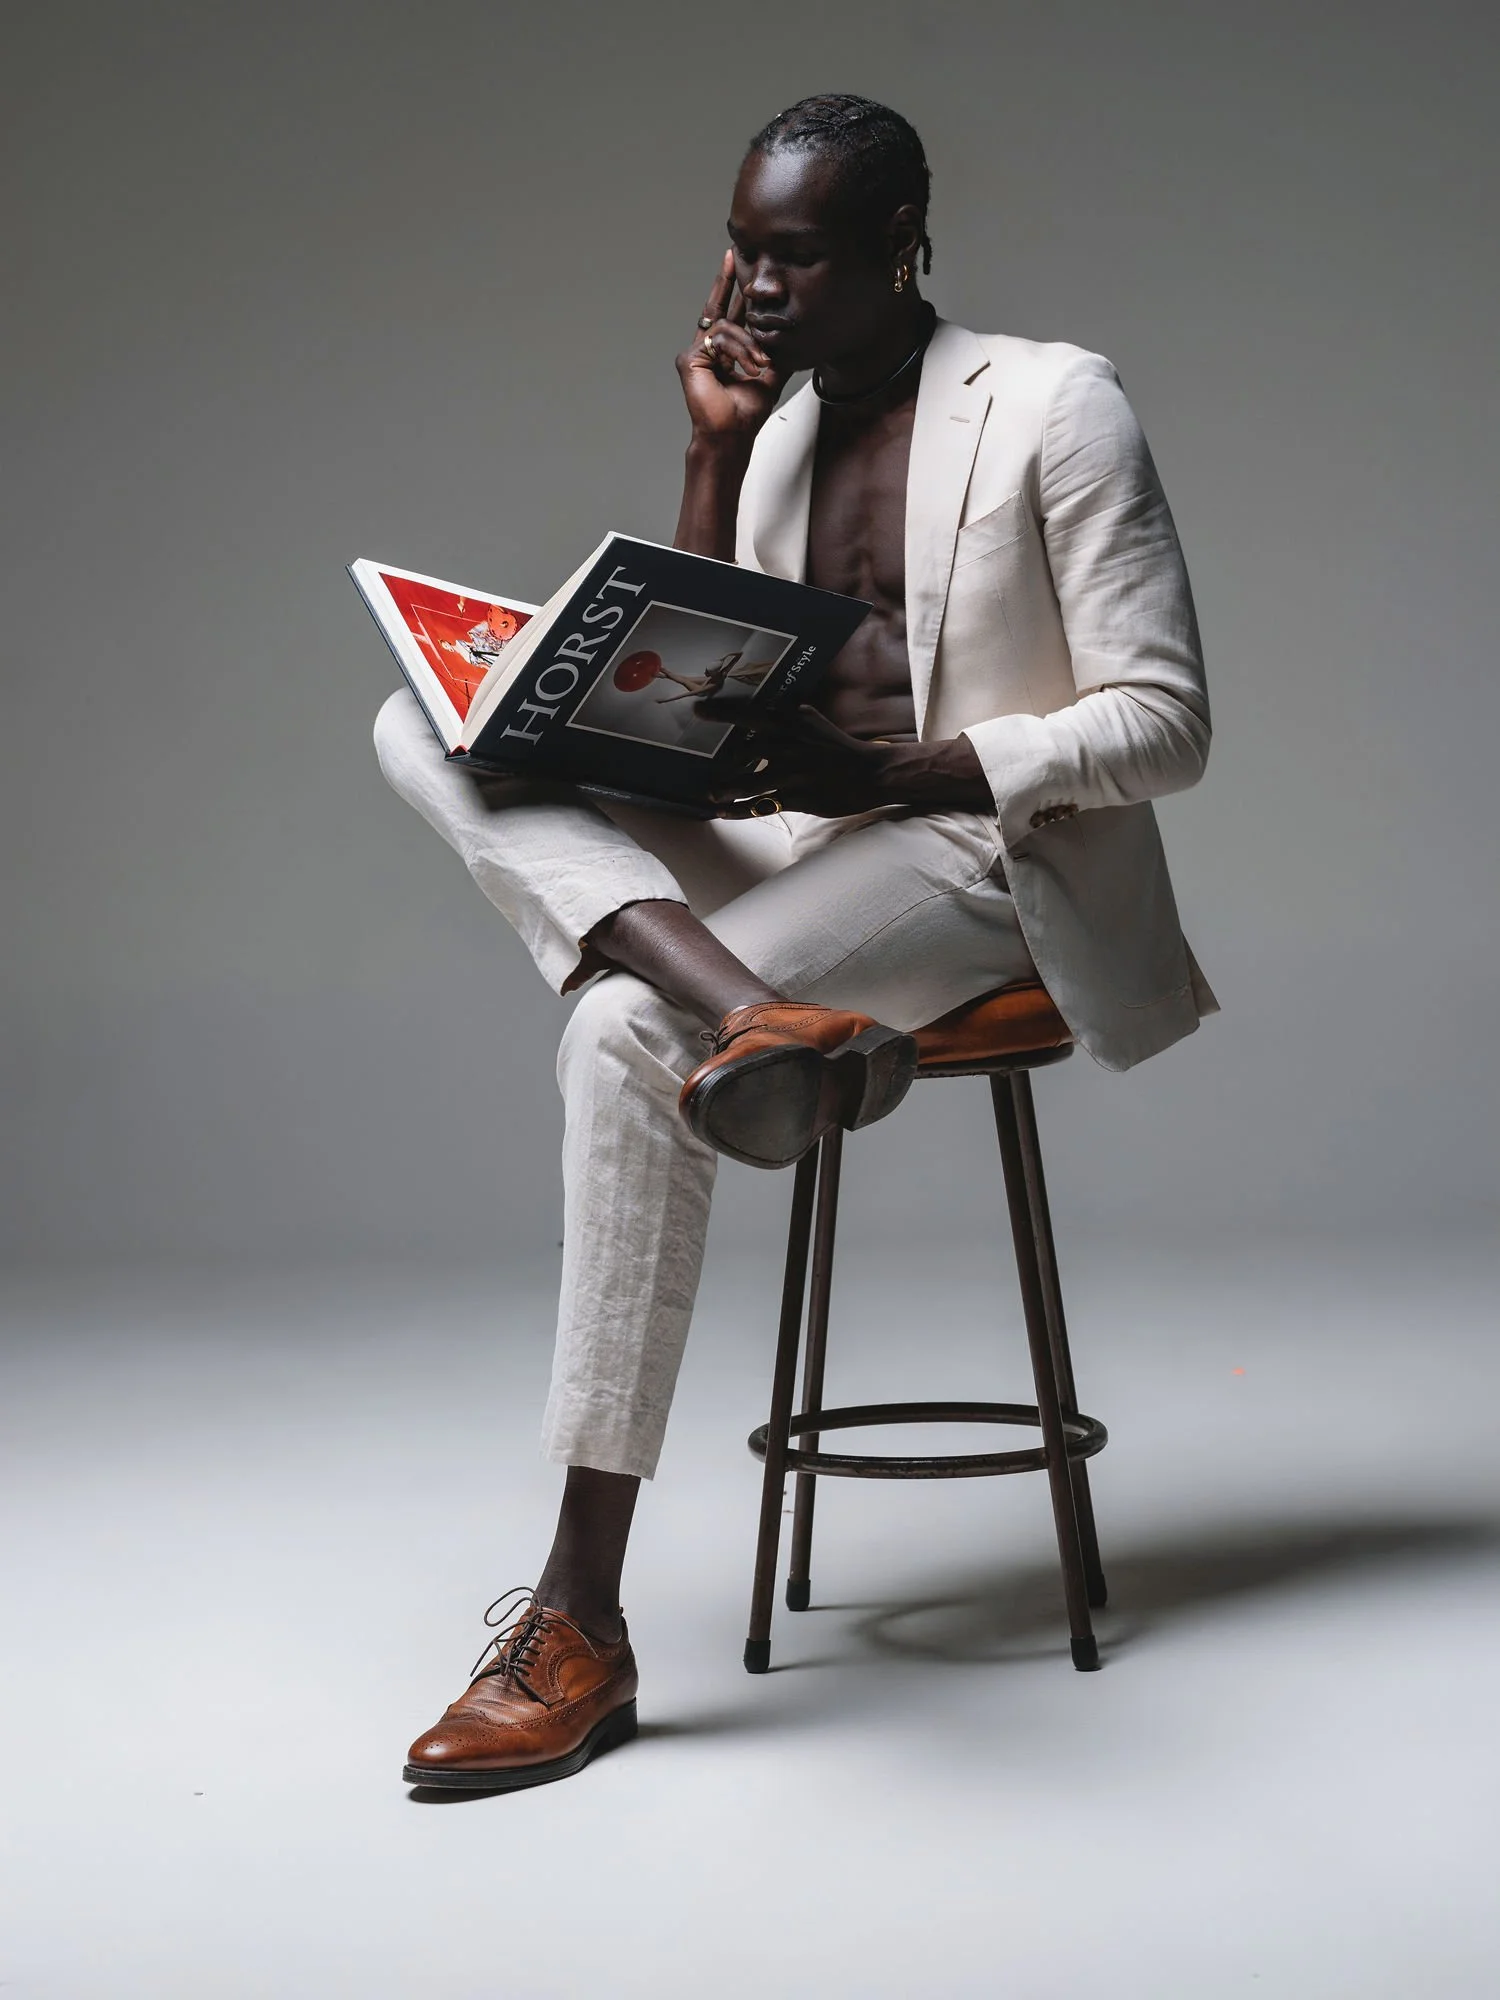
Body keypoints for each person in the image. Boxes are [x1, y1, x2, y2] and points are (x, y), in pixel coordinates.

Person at [373, 94, 1215, 1791]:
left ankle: (577, 1619)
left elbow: (1168, 720)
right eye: (740, 247)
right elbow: (694, 694)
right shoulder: (764, 427)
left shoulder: (1054, 401)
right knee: (417, 723)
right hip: (797, 832)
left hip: (981, 849)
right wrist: (701, 453)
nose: (751, 286)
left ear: (901, 240)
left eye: (795, 255)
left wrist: (903, 765)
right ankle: (760, 1013)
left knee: (614, 1037)